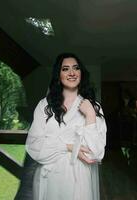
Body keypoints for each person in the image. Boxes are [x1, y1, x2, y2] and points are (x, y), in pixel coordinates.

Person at [25, 53, 107, 200]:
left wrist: (89, 115)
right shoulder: (44, 106)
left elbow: (96, 153)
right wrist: (69, 147)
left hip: (79, 182)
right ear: (58, 75)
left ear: (81, 73)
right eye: (65, 69)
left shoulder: (94, 108)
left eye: (76, 68)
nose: (71, 73)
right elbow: (33, 145)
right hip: (49, 181)